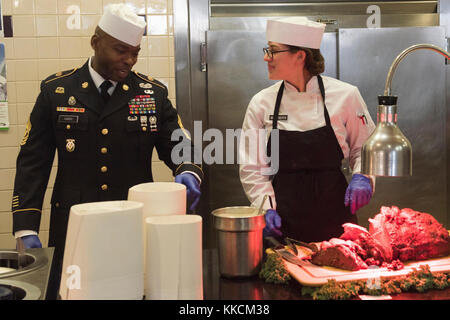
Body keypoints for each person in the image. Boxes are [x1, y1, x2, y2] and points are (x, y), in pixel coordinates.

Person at [11, 4, 202, 300]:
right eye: (120, 50)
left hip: (133, 228)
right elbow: (32, 162)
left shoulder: (151, 94)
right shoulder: (57, 90)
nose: (129, 60)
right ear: (95, 41)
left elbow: (178, 143)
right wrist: (25, 226)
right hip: (74, 227)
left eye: (135, 52)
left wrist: (188, 170)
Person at [239, 17, 375, 243]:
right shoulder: (261, 103)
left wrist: (363, 175)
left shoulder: (346, 95)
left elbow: (366, 148)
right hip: (284, 223)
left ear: (300, 56)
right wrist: (265, 207)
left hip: (338, 223)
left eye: (272, 51)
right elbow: (253, 167)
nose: (266, 57)